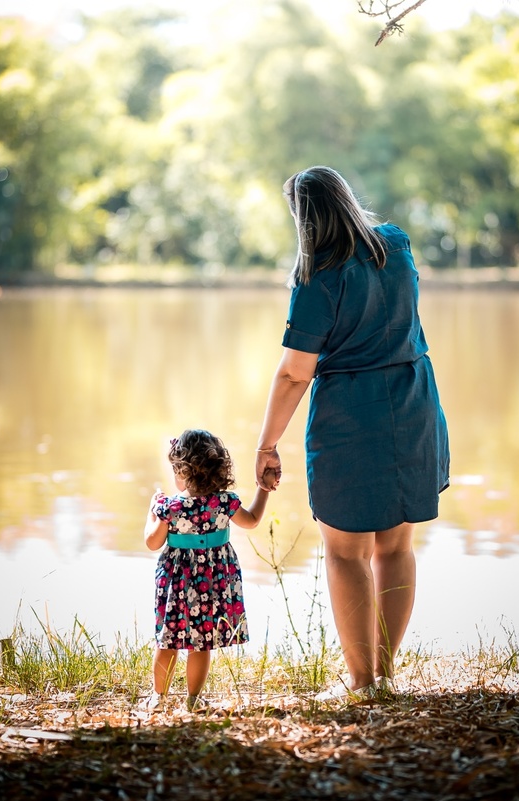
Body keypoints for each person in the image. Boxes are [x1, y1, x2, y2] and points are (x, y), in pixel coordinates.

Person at [254, 165, 450, 703]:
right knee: (396, 545)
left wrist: (267, 444)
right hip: (414, 404)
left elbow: (296, 372)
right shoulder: (395, 245)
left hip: (352, 416)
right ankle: (385, 673)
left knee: (345, 553)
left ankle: (363, 684)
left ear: (303, 220)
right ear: (345, 198)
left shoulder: (319, 277)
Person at [144, 428, 270, 712]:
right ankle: (193, 699)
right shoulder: (225, 502)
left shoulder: (169, 506)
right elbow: (251, 521)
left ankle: (158, 697)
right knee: (201, 643)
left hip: (177, 582)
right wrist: (263, 489)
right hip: (212, 582)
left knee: (168, 640)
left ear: (183, 471)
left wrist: (152, 511)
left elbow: (152, 542)